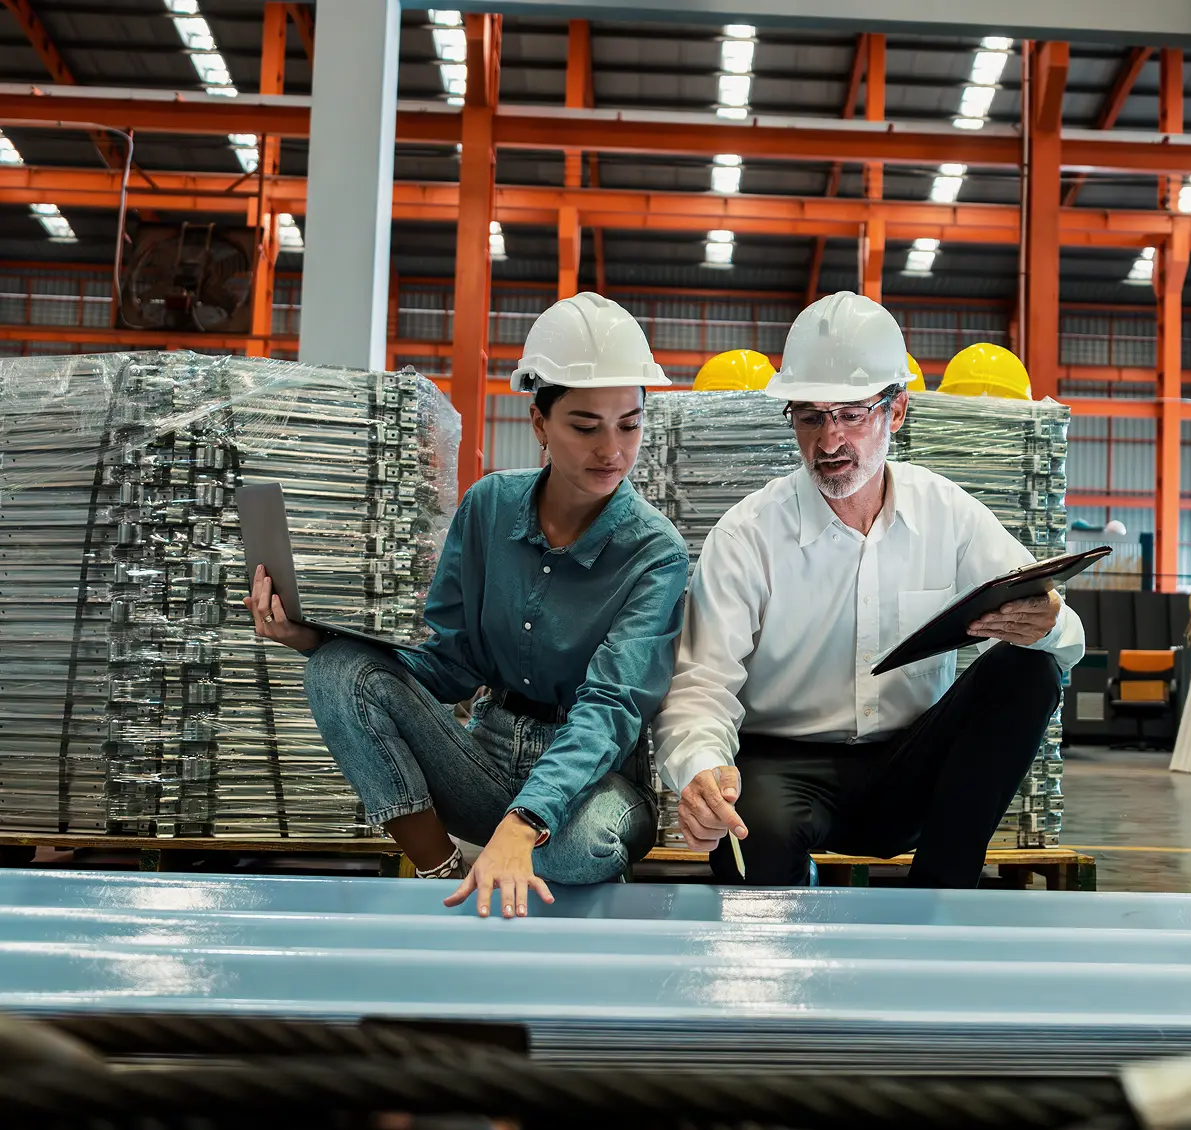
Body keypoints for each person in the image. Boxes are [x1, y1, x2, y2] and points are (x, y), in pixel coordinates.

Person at [244, 292, 688, 917]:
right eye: (585, 426)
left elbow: (610, 709)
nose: (611, 449)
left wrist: (525, 821)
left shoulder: (656, 554)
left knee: (583, 844)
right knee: (337, 672)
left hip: (596, 783)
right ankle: (442, 874)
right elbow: (449, 665)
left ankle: (516, 850)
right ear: (539, 422)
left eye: (630, 424)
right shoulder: (489, 509)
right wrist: (312, 638)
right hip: (486, 756)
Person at [653, 292, 1084, 888]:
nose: (829, 442)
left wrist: (1050, 623)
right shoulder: (749, 535)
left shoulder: (948, 516)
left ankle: (943, 894)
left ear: (896, 411)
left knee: (1030, 671)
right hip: (782, 769)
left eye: (851, 414)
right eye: (810, 416)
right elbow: (701, 684)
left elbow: (1064, 637)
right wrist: (701, 768)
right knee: (751, 847)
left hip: (907, 765)